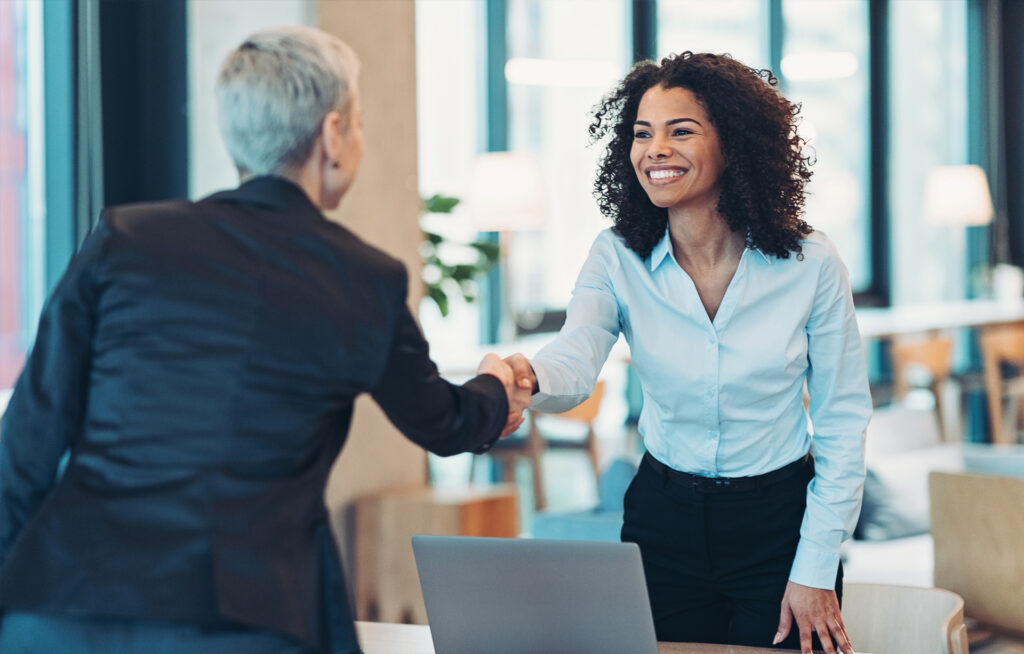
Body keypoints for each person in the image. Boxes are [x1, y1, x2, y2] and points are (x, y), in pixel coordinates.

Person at [0, 26, 531, 654]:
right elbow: (444, 423)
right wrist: (497, 390)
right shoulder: (363, 279)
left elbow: (29, 439)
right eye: (358, 123)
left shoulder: (125, 238)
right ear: (333, 136)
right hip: (239, 621)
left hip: (62, 607)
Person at [502, 52, 871, 654]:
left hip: (777, 522)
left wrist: (814, 566)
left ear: (736, 145)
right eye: (643, 134)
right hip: (663, 519)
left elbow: (842, 420)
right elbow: (576, 356)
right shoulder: (616, 255)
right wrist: (527, 377)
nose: (656, 150)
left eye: (682, 131)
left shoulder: (810, 263)